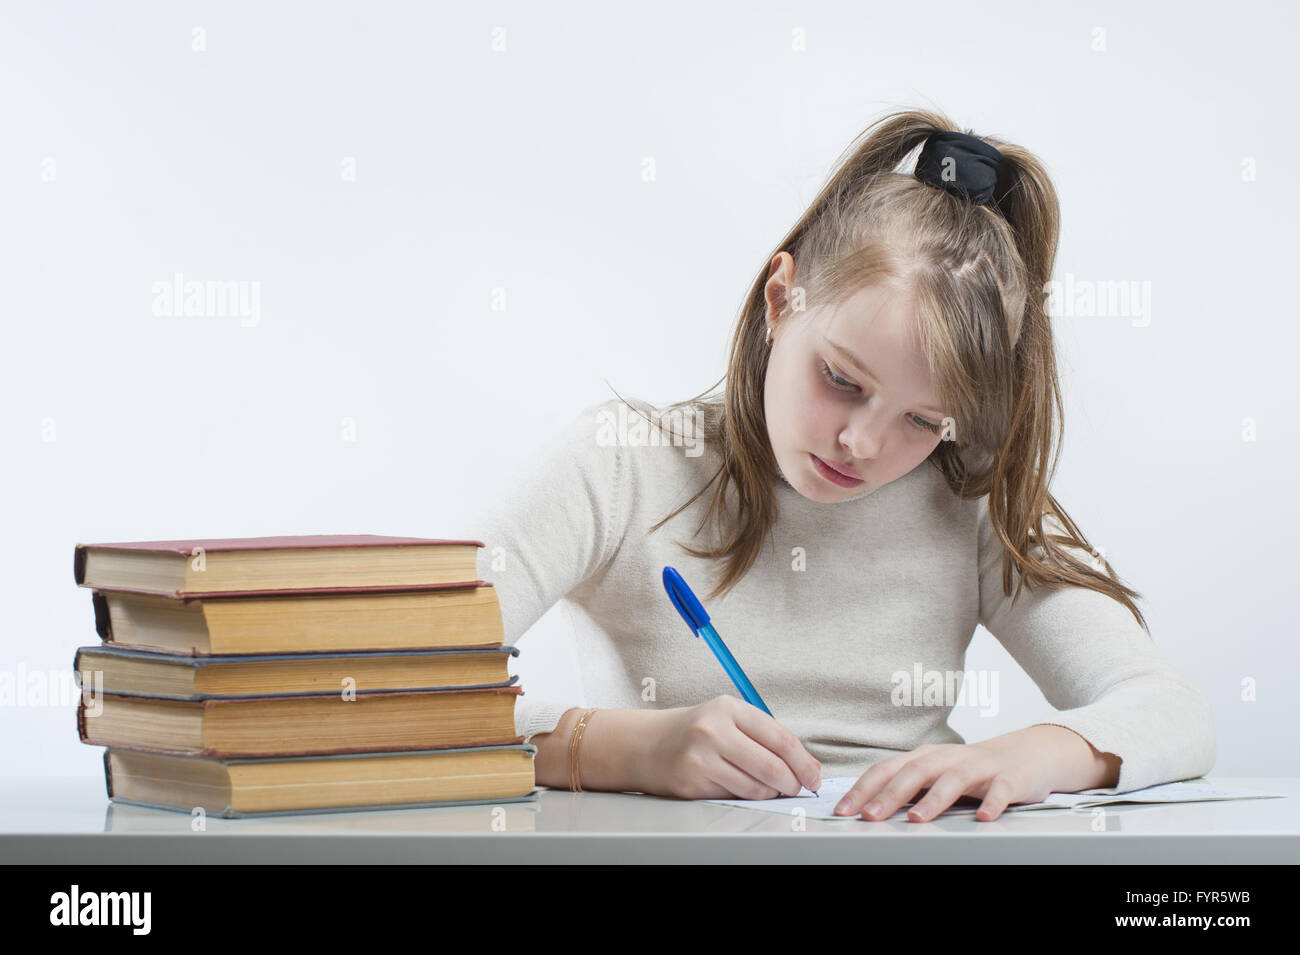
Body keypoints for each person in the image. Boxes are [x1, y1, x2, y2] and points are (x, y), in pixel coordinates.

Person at [460, 108, 1215, 822]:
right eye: (843, 381)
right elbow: (379, 694)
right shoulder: (622, 464)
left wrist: (1041, 751)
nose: (863, 443)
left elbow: (1172, 713)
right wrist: (621, 749)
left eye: (924, 420)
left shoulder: (971, 496)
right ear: (780, 300)